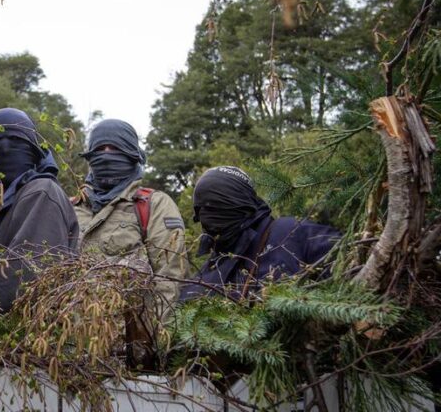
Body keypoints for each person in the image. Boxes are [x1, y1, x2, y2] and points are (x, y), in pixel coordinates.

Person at [73, 119, 189, 369]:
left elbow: (169, 280)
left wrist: (153, 354)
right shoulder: (72, 208)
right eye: (100, 148)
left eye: (114, 148)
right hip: (76, 358)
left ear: (131, 154)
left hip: (132, 360)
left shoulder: (153, 205)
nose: (106, 155)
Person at [179, 166, 341, 301]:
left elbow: (351, 269)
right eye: (200, 209)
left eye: (215, 206)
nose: (205, 217)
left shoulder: (294, 233)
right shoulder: (205, 274)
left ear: (241, 204)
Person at [0, 107, 80, 314]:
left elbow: (20, 281)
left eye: (15, 143)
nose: (5, 150)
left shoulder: (41, 193)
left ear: (34, 151)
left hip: (33, 339)